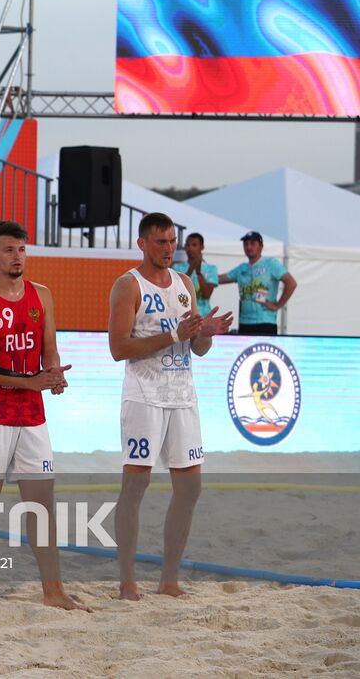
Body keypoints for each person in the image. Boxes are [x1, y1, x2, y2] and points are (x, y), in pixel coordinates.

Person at [0, 220, 87, 610]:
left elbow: (49, 348)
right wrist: (29, 381)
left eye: (22, 249)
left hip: (31, 412)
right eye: (9, 250)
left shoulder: (42, 295)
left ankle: (53, 589)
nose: (17, 256)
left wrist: (53, 374)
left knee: (41, 502)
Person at [108, 213, 233, 601]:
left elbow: (196, 347)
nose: (168, 249)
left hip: (182, 395)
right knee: (135, 485)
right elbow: (118, 349)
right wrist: (172, 334)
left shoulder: (184, 283)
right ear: (142, 243)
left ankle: (169, 579)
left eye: (172, 241)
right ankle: (127, 580)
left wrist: (205, 334)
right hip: (144, 396)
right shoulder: (128, 285)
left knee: (190, 487)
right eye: (161, 242)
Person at [218, 231, 297, 335]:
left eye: (252, 243)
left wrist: (277, 305)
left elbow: (291, 283)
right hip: (244, 322)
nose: (249, 247)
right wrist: (202, 271)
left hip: (265, 322)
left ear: (261, 246)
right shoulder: (242, 268)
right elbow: (219, 279)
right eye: (246, 244)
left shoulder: (271, 264)